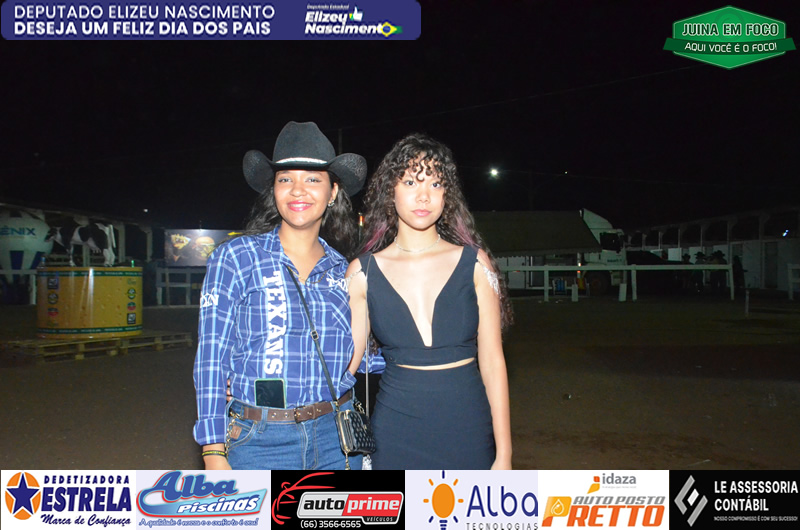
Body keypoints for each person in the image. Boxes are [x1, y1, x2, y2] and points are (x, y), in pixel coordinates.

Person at [193, 121, 368, 470]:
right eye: (285, 179)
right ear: (273, 190)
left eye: (313, 180)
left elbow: (362, 358)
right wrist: (213, 450)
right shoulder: (236, 257)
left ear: (333, 192)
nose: (298, 190)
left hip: (336, 439)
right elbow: (212, 358)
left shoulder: (345, 271)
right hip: (259, 442)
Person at [346, 133, 513, 470]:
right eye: (411, 182)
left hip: (467, 426)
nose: (423, 195)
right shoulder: (362, 272)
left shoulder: (475, 264)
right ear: (390, 191)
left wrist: (505, 453)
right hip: (395, 429)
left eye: (435, 184)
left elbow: (493, 362)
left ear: (446, 194)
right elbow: (347, 366)